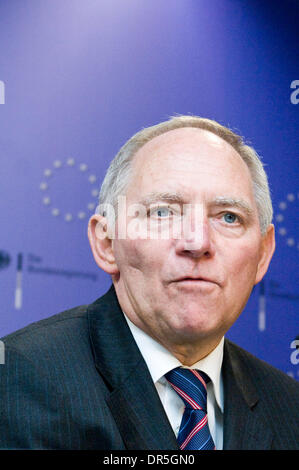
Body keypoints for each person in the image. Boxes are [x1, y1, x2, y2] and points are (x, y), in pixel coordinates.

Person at [0, 115, 298, 450]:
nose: (198, 242)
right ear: (107, 243)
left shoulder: (290, 407)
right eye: (163, 212)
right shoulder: (16, 379)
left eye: (229, 217)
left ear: (262, 253)